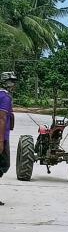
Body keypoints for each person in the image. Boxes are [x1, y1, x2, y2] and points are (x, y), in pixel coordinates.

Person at [0, 72, 17, 206]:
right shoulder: (5, 97)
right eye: (12, 81)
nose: (14, 84)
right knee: (4, 164)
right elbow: (2, 118)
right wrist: (1, 141)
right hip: (2, 137)